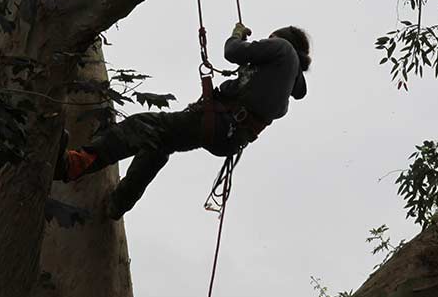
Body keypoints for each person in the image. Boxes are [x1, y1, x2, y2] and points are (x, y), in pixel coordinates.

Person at [54, 23, 311, 219]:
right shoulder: (287, 80)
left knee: (143, 126)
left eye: (270, 40)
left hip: (218, 122)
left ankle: (71, 165)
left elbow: (232, 52)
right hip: (229, 136)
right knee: (158, 143)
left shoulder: (282, 49)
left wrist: (237, 35)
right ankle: (117, 203)